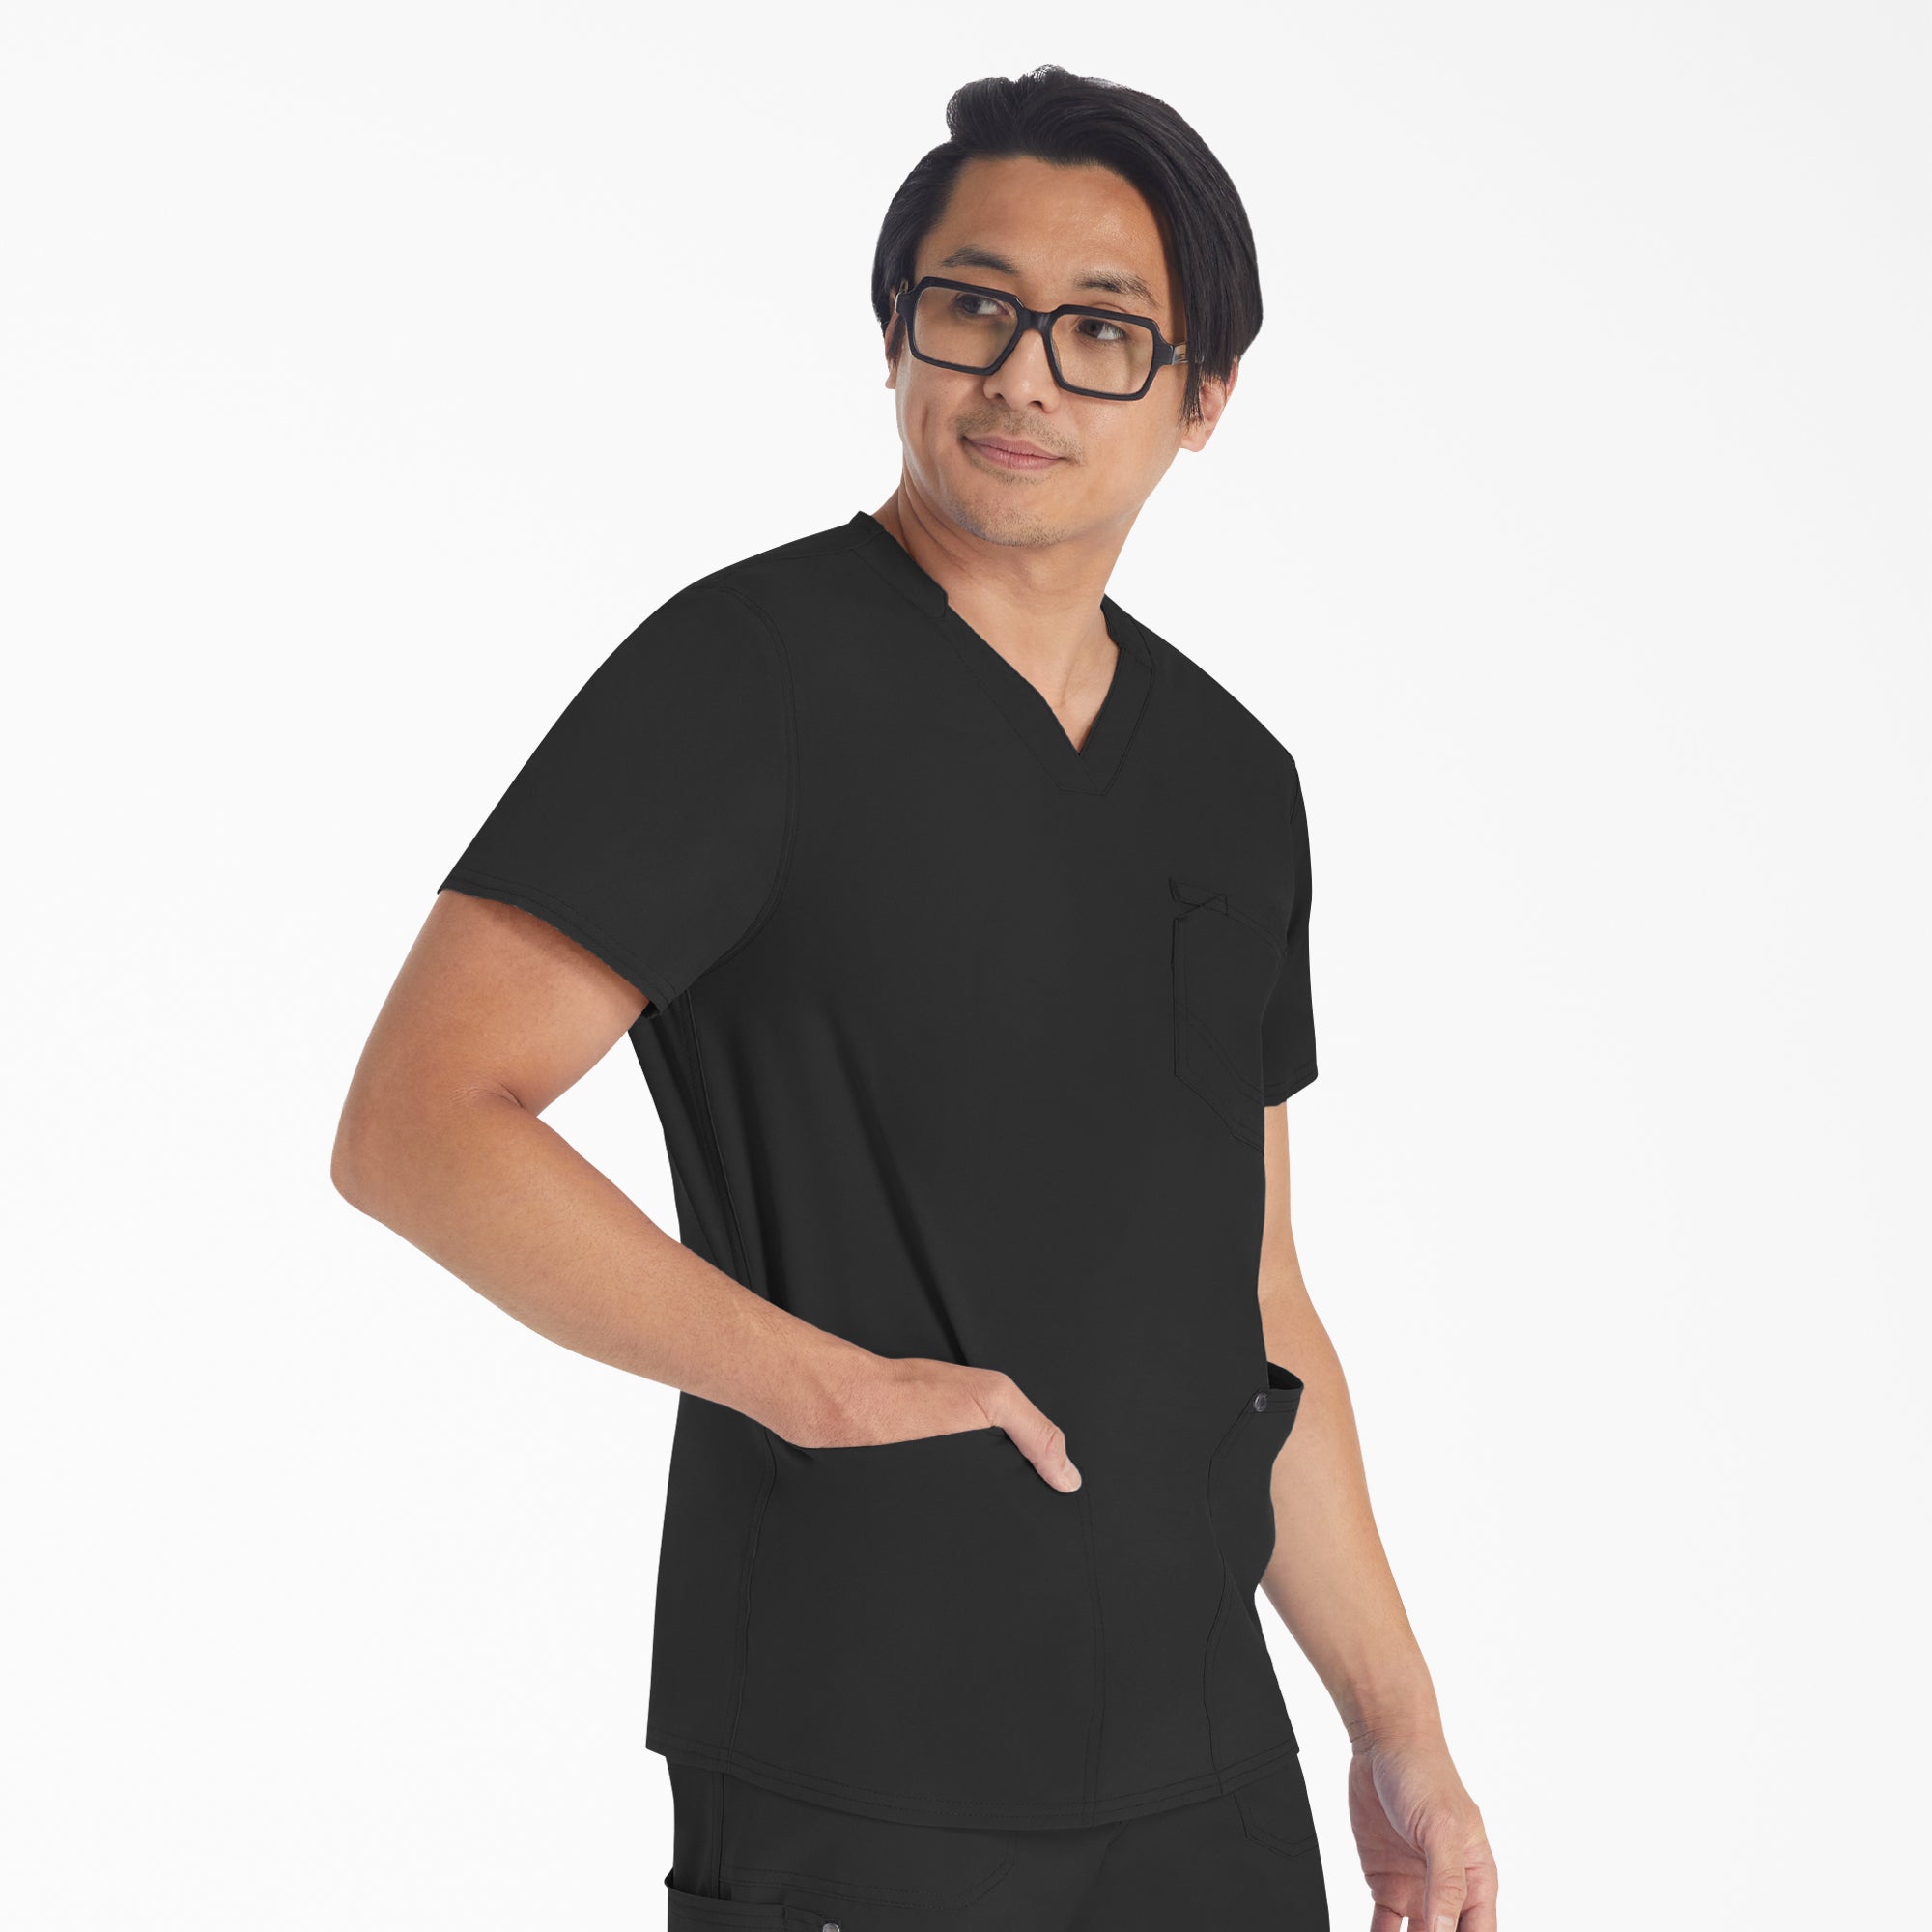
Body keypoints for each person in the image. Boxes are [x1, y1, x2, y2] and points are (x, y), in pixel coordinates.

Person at [333, 62, 1497, 1932]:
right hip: (856, 1741)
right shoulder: (746, 678)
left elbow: (1258, 1300)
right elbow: (414, 1125)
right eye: (974, 306)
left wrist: (1398, 1730)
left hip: (1203, 1767)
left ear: (1202, 396)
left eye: (1103, 331)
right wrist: (811, 1386)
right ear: (895, 336)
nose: (1025, 376)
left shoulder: (1232, 782)